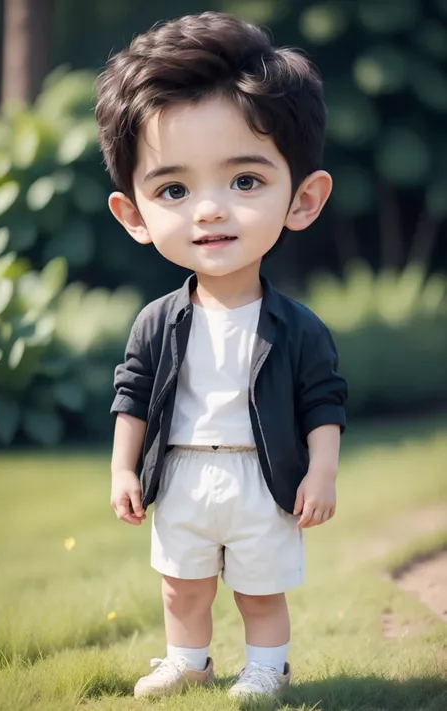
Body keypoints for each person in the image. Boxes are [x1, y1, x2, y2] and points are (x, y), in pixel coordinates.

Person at [95, 10, 347, 700]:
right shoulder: (156, 321)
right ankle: (189, 659)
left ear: (302, 198)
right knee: (182, 582)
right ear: (135, 214)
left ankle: (267, 665)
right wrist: (124, 467)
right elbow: (134, 391)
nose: (209, 211)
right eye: (175, 189)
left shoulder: (296, 327)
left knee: (261, 585)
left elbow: (323, 399)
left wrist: (321, 473)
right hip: (179, 474)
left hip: (260, 478)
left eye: (244, 182)